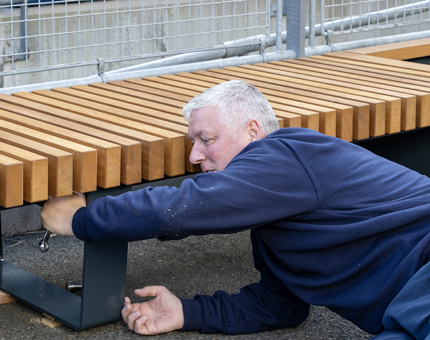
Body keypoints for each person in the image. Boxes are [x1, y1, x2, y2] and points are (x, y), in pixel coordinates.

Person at [41, 80, 430, 339]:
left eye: (205, 139)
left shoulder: (289, 152)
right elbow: (281, 306)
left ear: (253, 131)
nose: (194, 156)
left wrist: (80, 219)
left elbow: (182, 206)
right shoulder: (275, 215)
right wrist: (186, 313)